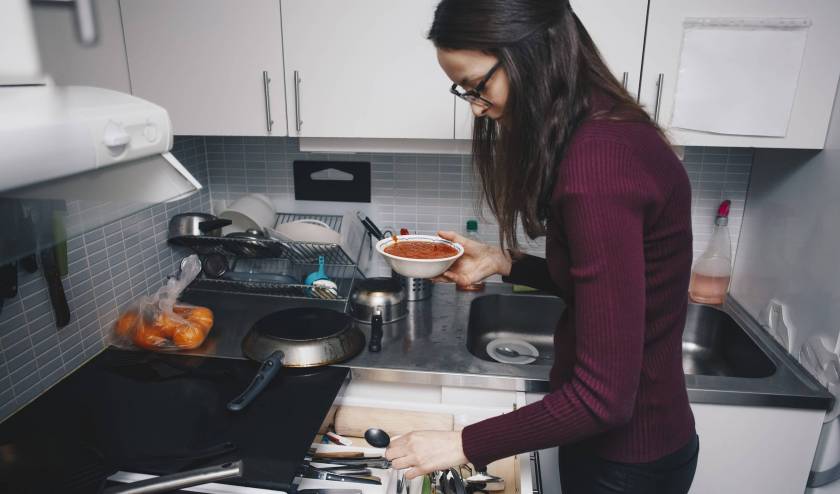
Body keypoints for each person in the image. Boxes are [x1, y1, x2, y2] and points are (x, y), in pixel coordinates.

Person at [383, 1, 700, 493]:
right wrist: (504, 262)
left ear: (532, 53)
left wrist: (459, 443)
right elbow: (609, 289)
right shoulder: (607, 127)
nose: (475, 107)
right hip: (624, 447)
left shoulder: (598, 165)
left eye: (477, 86)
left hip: (627, 463)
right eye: (462, 90)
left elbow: (602, 399)